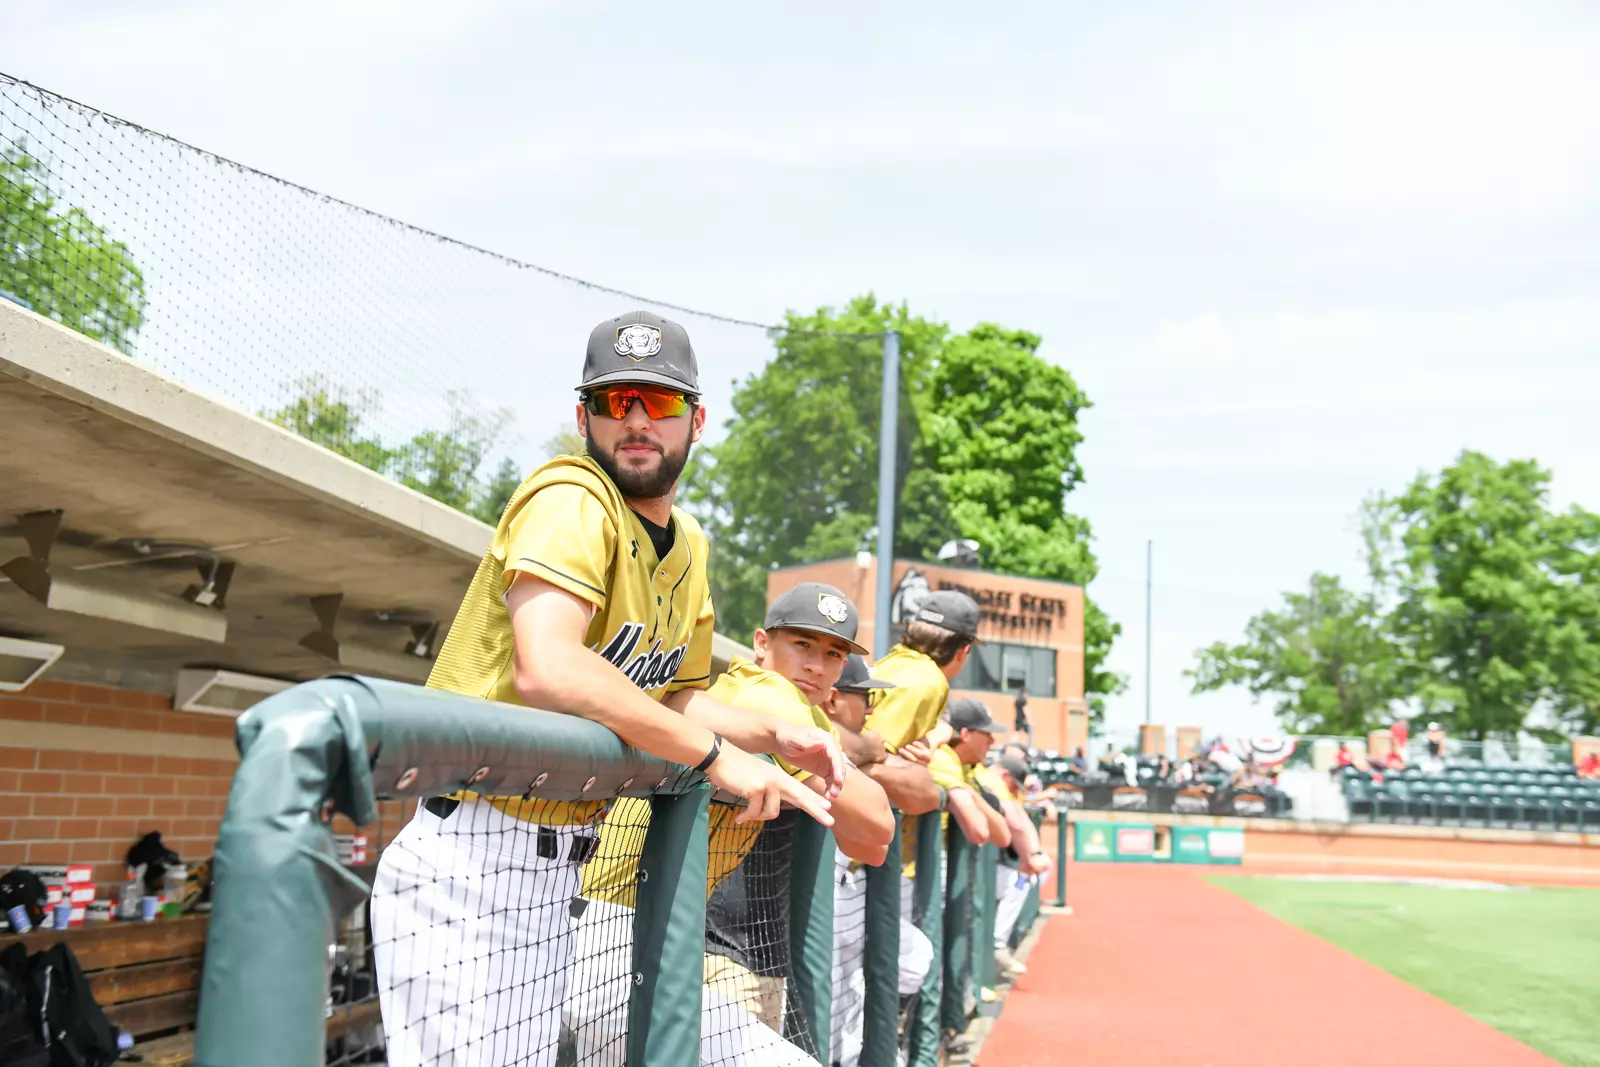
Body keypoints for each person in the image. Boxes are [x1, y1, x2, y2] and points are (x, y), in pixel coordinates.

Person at [370, 310, 843, 1067]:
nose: (636, 419)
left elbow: (671, 693)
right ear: (583, 415)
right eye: (615, 399)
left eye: (659, 401)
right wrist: (714, 754)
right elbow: (549, 667)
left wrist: (769, 733)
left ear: (696, 420)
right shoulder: (571, 497)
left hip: (565, 883)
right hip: (470, 861)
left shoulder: (688, 543)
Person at [567, 582, 891, 1067]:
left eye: (833, 654)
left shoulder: (750, 693)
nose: (816, 666)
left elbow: (870, 844)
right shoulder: (769, 693)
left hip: (616, 931)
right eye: (802, 644)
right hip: (605, 936)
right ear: (762, 643)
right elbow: (877, 826)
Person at [858, 589, 985, 1018]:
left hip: (850, 847)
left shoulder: (894, 663)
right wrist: (913, 768)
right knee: (903, 965)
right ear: (963, 651)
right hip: (857, 857)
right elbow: (870, 756)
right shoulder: (928, 679)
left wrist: (928, 744)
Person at [822, 655, 941, 1067]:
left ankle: (885, 1043)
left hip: (845, 886)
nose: (872, 711)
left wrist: (863, 759)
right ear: (833, 699)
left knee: (912, 958)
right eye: (865, 698)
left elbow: (927, 791)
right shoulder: (796, 723)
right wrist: (864, 754)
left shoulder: (852, 741)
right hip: (795, 895)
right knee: (821, 1016)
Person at [988, 754, 1052, 979]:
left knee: (1022, 880)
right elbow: (1015, 822)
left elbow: (1020, 818)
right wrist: (1029, 858)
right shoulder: (994, 782)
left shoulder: (999, 785)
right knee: (1020, 881)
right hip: (962, 865)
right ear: (1006, 775)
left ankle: (997, 945)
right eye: (1014, 784)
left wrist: (1033, 854)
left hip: (980, 864)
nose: (1016, 790)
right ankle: (997, 946)